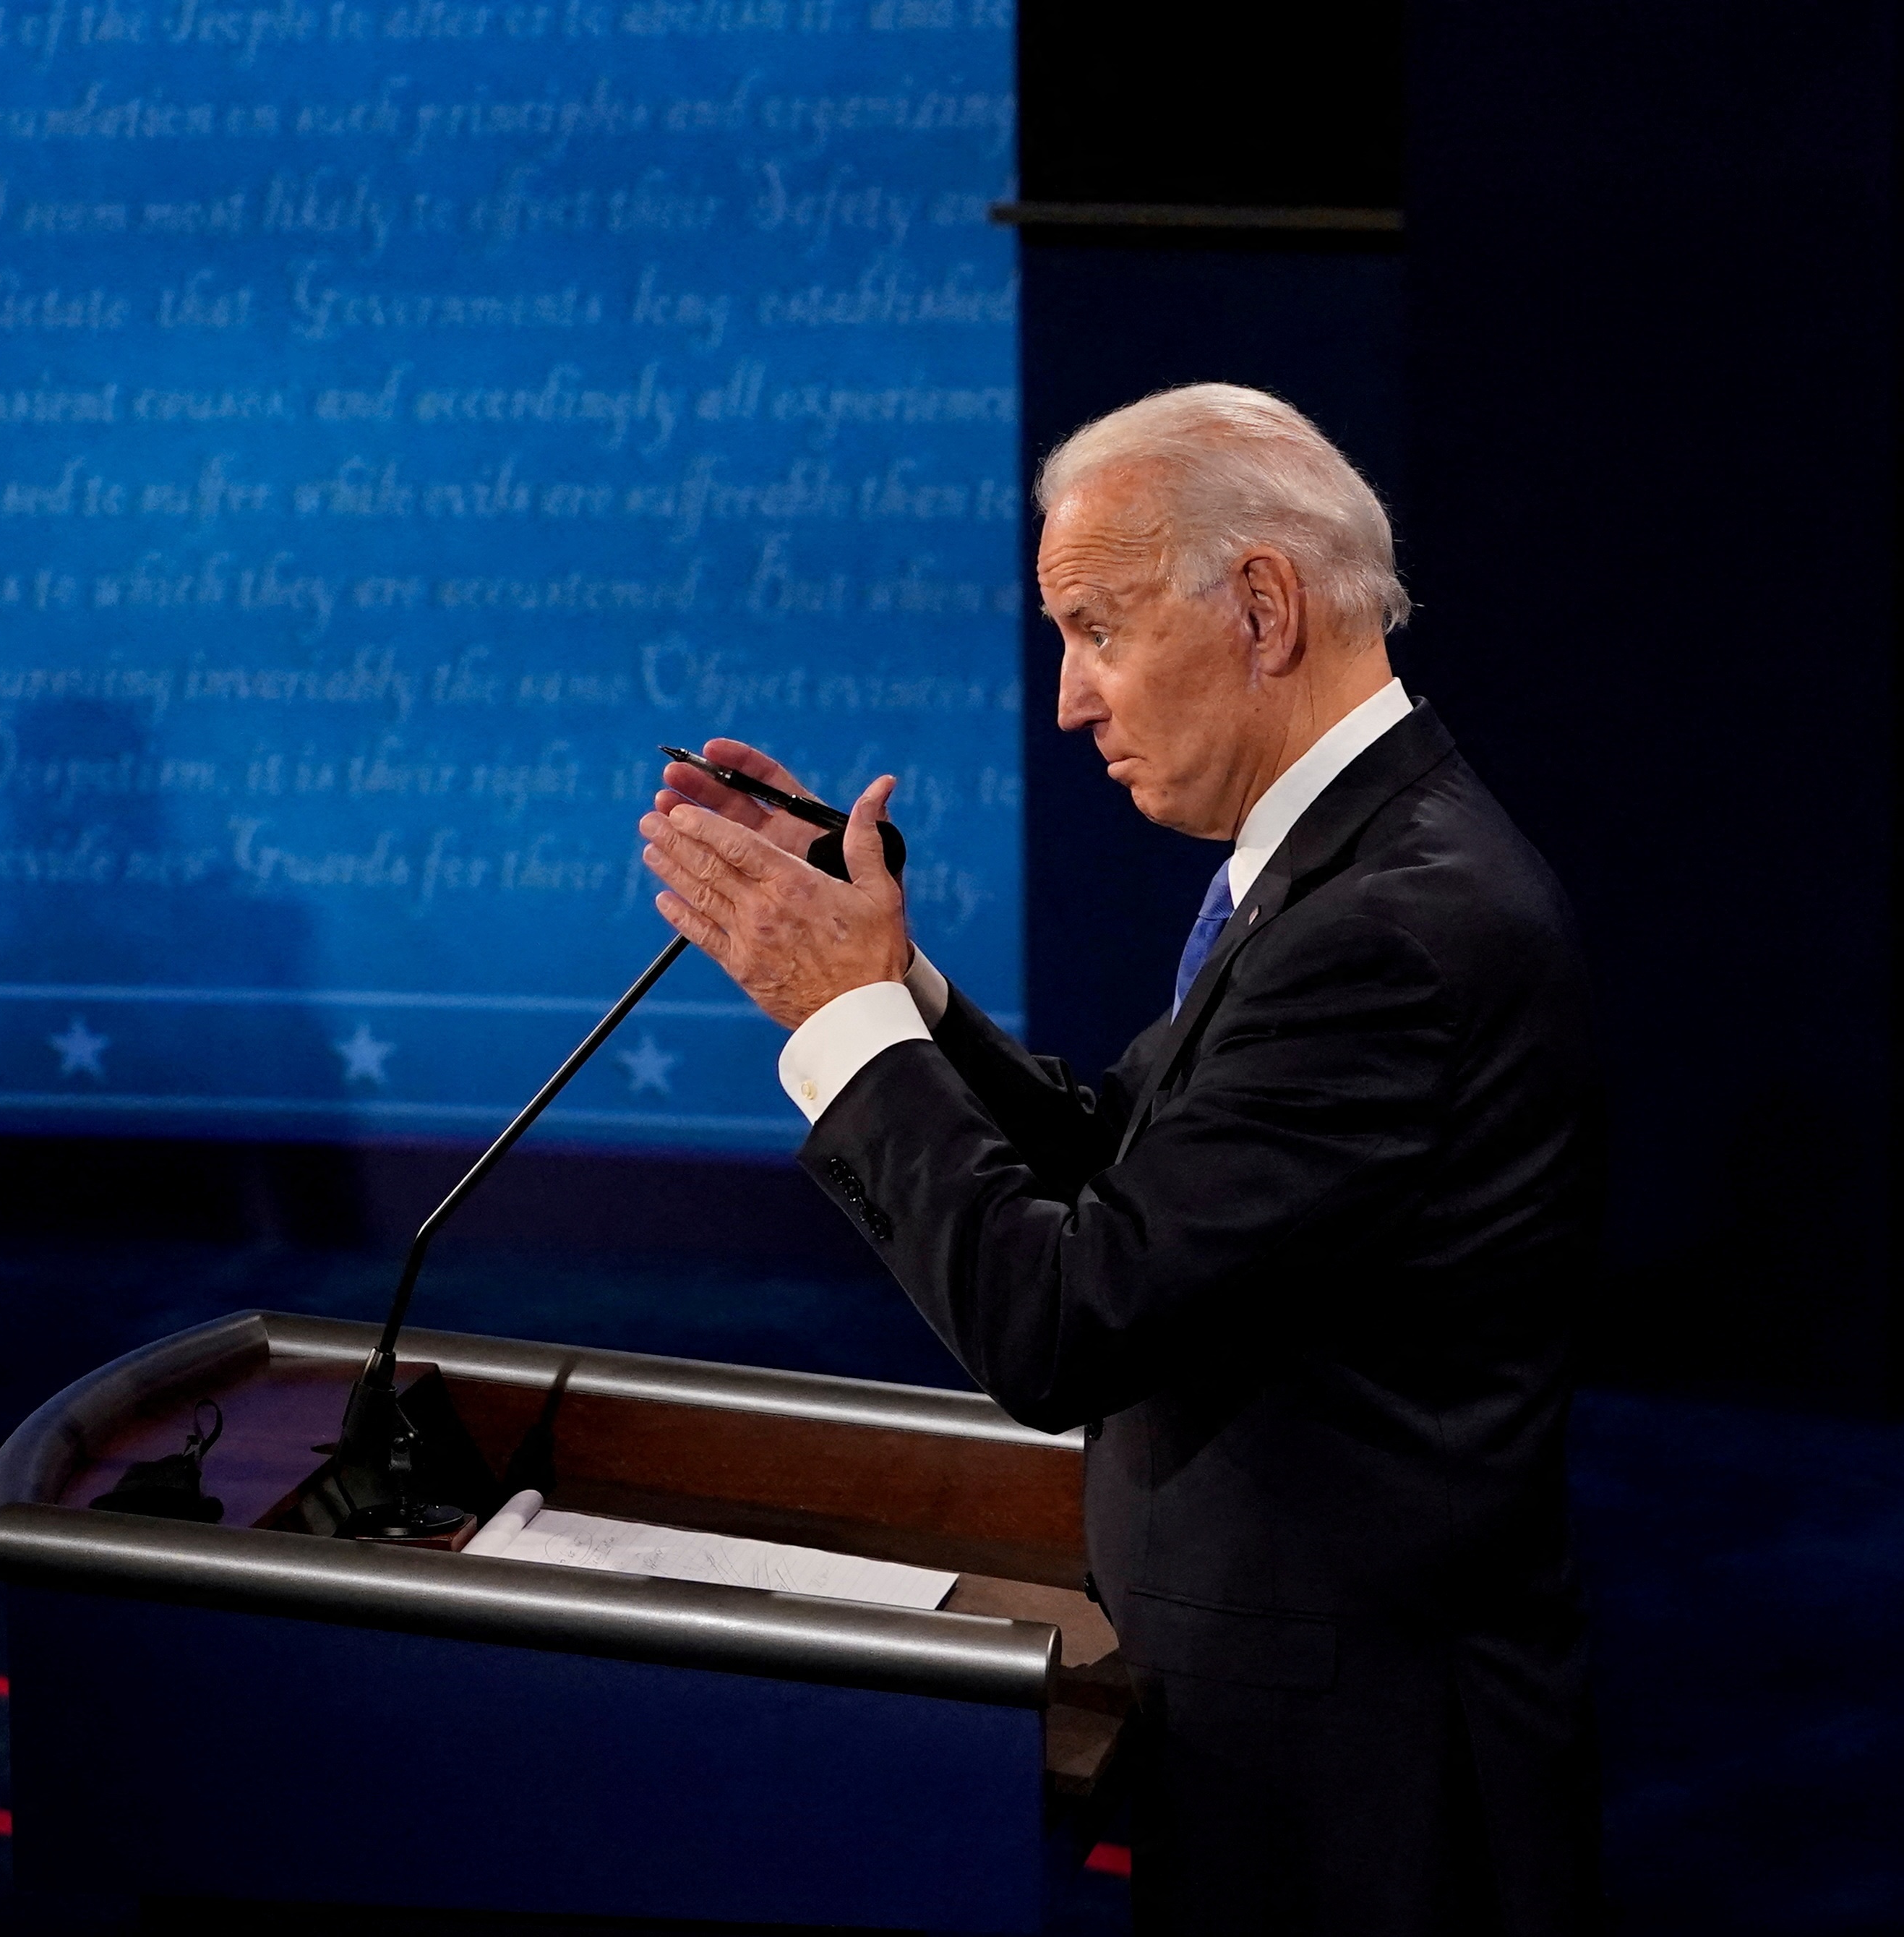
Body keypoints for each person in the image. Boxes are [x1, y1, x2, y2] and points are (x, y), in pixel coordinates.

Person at [638, 385, 1603, 1935]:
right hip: (1287, 1722)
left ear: (1264, 606)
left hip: (1367, 1786)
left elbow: (1069, 1313)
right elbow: (1140, 1172)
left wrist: (840, 1021)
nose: (1071, 701)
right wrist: (897, 988)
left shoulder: (1391, 929)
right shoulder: (1338, 862)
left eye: (1095, 627)